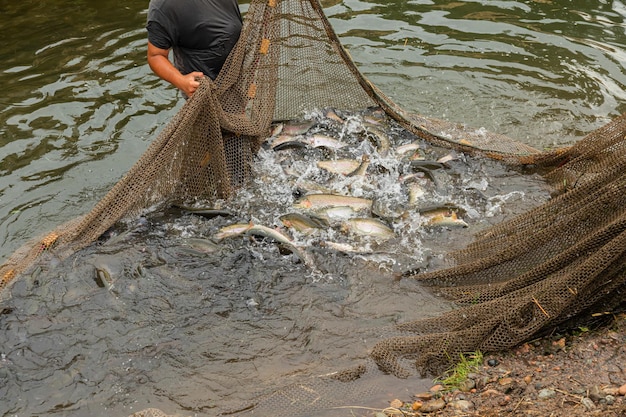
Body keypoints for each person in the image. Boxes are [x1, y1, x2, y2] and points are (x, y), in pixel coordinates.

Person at [146, 0, 243, 98]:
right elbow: (155, 55)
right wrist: (182, 81)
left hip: (239, 77)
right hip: (203, 91)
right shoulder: (163, 7)